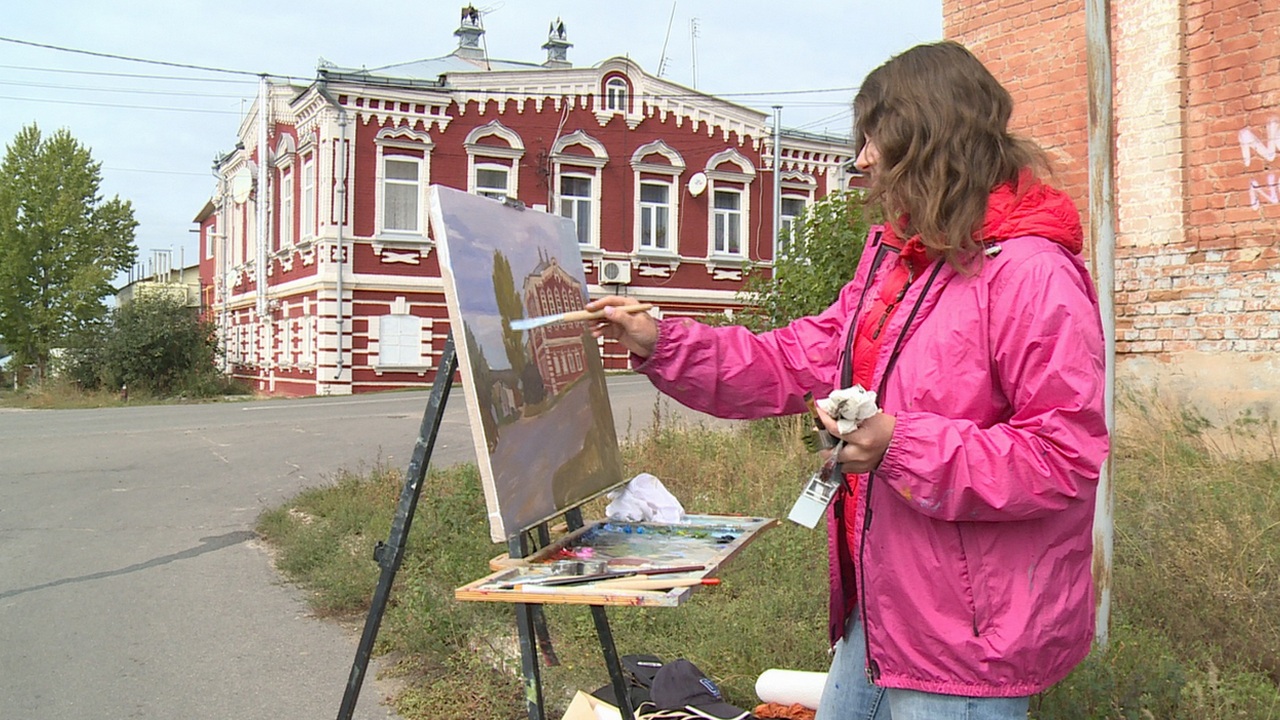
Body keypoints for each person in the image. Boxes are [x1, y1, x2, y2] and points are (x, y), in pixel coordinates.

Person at [587, 40, 1109, 720]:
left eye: (875, 138)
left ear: (931, 139)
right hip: (884, 610)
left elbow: (1063, 457)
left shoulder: (1032, 275)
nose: (862, 159)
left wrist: (900, 445)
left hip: (967, 646)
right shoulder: (899, 265)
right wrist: (664, 342)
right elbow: (795, 358)